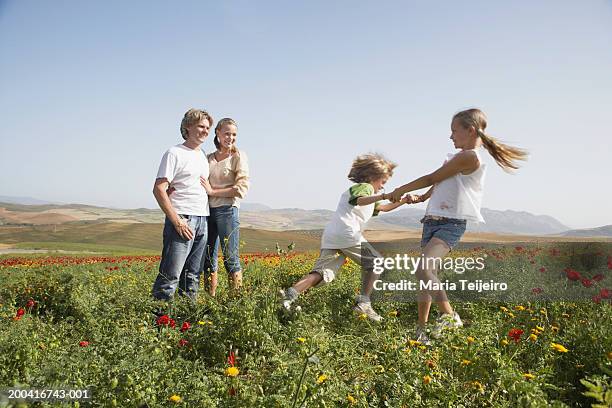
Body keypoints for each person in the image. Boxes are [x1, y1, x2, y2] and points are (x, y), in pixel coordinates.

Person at [388, 108, 528, 344]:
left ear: (470, 130)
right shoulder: (457, 158)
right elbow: (440, 182)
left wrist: (401, 189)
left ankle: (450, 316)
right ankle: (421, 331)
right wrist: (421, 198)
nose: (451, 136)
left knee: (423, 270)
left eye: (454, 131)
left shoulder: (470, 156)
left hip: (450, 224)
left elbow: (433, 177)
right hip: (432, 221)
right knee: (427, 277)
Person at [279, 153, 413, 321]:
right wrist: (383, 195)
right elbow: (360, 200)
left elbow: (384, 208)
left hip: (332, 235)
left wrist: (403, 201)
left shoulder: (370, 193)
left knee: (322, 272)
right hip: (347, 233)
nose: (382, 188)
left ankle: (289, 296)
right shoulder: (365, 187)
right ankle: (364, 303)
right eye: (383, 183)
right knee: (377, 263)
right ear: (373, 176)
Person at [151, 108, 213, 302]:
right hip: (183, 218)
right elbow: (159, 189)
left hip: (203, 218)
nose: (205, 131)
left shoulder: (203, 155)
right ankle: (159, 326)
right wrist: (177, 221)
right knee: (170, 276)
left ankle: (187, 323)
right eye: (201, 126)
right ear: (187, 127)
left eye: (208, 127)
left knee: (192, 276)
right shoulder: (174, 153)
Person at [200, 118, 250, 296]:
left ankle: (234, 300)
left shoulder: (238, 156)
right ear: (218, 134)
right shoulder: (208, 158)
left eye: (234, 134)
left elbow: (240, 189)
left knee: (231, 259)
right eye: (227, 133)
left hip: (227, 211)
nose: (231, 137)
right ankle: (209, 299)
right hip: (206, 212)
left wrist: (212, 191)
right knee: (207, 259)